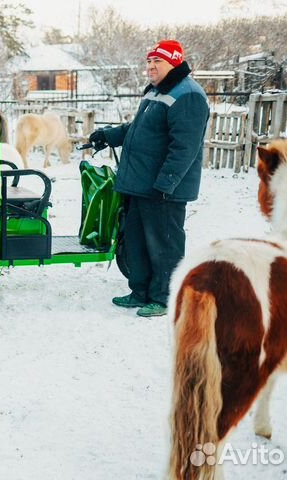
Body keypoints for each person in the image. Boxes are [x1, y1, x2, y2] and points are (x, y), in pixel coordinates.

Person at [88, 40, 209, 317]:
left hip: (163, 188)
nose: (151, 67)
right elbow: (140, 129)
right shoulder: (157, 92)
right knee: (137, 241)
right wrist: (109, 136)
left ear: (175, 63)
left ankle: (165, 298)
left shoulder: (188, 95)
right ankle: (140, 291)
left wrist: (166, 184)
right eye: (149, 61)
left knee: (164, 245)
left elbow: (185, 148)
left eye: (158, 62)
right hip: (140, 184)